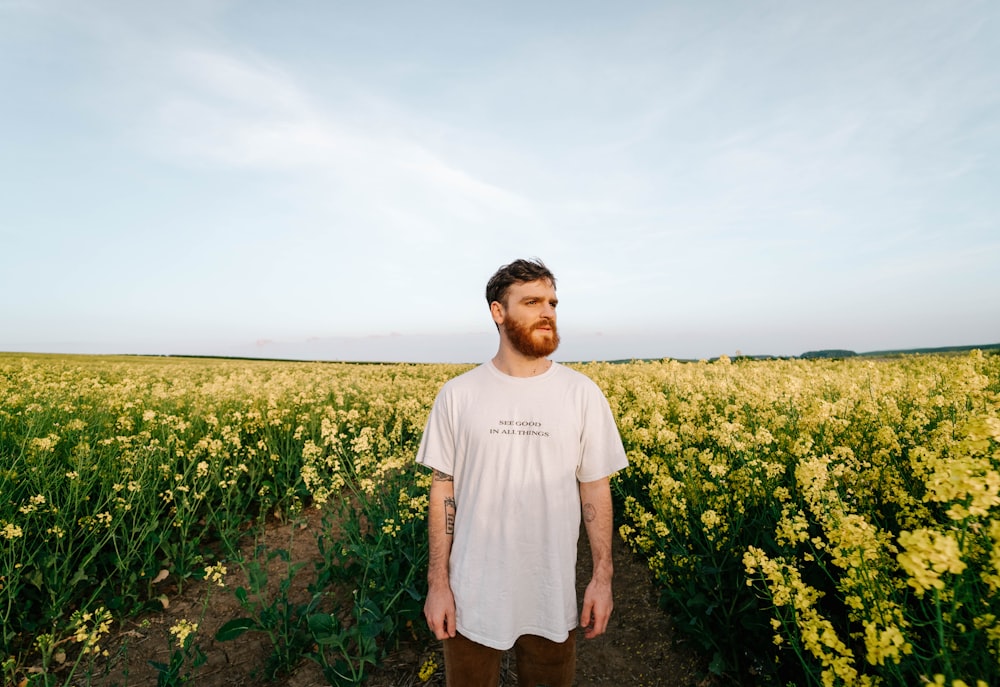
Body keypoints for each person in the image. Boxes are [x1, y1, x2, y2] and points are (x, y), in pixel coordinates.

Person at [415, 258, 629, 687]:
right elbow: (443, 491)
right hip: (470, 595)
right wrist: (438, 582)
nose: (547, 311)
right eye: (531, 301)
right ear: (499, 312)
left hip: (550, 595)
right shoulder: (458, 395)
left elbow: (595, 489)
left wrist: (602, 578)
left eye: (551, 302)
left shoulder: (582, 394)